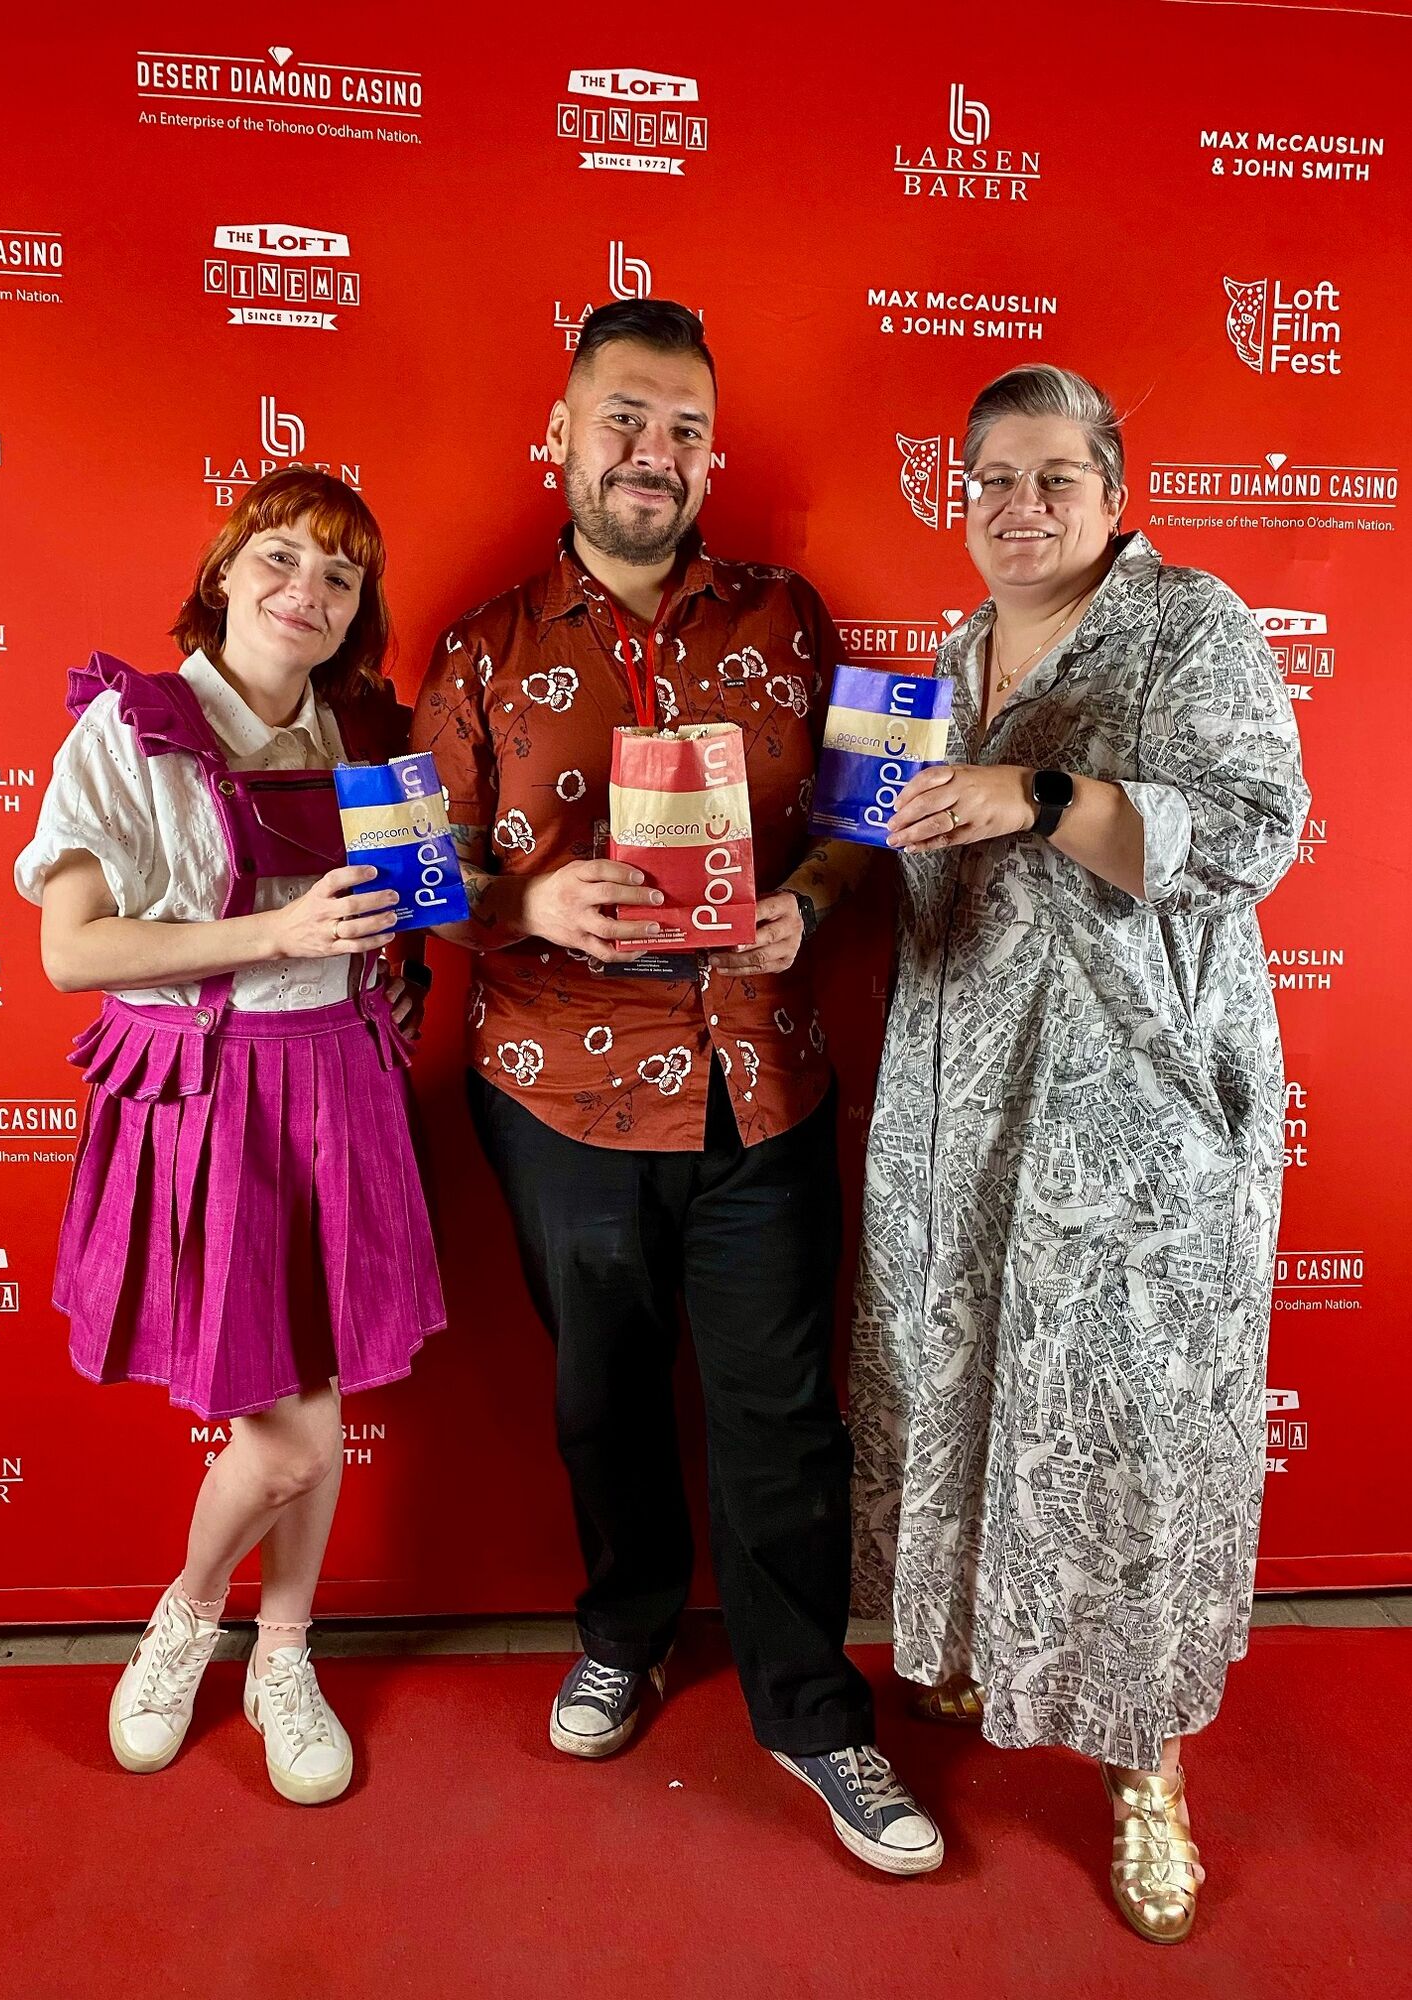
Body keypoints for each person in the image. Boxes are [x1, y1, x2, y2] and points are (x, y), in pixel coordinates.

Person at [411, 299, 941, 1875]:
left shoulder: (788, 618)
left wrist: (816, 905)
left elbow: (862, 823)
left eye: (684, 430)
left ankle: (814, 1712)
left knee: (783, 1415)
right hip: (560, 1094)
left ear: (714, 455)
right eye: (624, 421)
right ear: (563, 437)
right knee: (601, 1399)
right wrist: (521, 906)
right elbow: (414, 873)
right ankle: (626, 1631)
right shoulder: (484, 647)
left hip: (761, 1084)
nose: (654, 455)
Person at [849, 363, 1309, 1939]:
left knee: (1125, 1447)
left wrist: (1041, 792)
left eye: (1056, 477)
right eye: (994, 477)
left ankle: (1148, 1773)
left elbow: (1255, 831)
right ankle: (983, 1646)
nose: (1021, 505)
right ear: (956, 492)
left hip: (1133, 1122)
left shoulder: (1193, 626)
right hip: (966, 1104)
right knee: (975, 1388)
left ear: (1117, 492)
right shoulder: (958, 653)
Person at [15, 469, 444, 1804]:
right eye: (278, 559)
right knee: (294, 1436)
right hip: (207, 1092)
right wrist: (275, 932)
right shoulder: (129, 728)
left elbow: (421, 905)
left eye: (339, 576)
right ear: (220, 575)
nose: (304, 594)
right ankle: (188, 1619)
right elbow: (70, 948)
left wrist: (481, 901)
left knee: (316, 1389)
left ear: (360, 610)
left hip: (344, 1077)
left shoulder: (369, 730)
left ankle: (285, 1649)